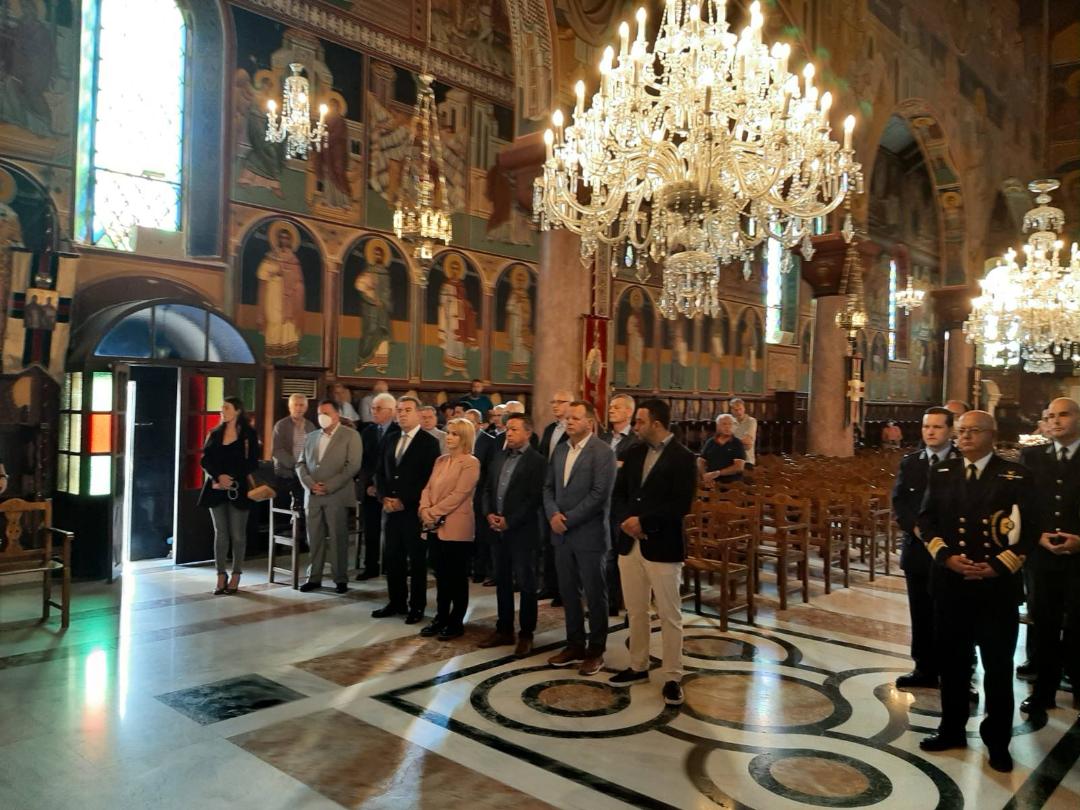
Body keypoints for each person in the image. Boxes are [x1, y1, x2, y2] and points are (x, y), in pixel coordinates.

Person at [917, 410, 1035, 773]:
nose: (965, 437)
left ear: (992, 435)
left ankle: (997, 741)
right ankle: (951, 729)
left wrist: (1000, 564)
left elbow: (1032, 527)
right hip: (951, 585)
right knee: (952, 665)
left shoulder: (1015, 474)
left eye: (974, 431)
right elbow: (926, 520)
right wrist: (946, 557)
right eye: (962, 431)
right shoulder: (942, 471)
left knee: (997, 668)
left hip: (996, 588)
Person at [610, 399, 698, 706]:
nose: (635, 427)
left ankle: (673, 675)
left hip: (662, 544)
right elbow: (620, 494)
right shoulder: (634, 453)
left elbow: (680, 504)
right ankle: (638, 665)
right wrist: (627, 521)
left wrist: (644, 522)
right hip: (629, 543)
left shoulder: (683, 458)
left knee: (669, 614)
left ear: (656, 424)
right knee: (636, 610)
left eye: (640, 421)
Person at [543, 400, 617, 676]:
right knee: (568, 593)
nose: (569, 422)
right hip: (561, 534)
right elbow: (548, 487)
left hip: (589, 534)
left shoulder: (602, 452)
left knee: (595, 595)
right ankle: (574, 645)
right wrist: (553, 514)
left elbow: (599, 495)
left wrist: (568, 519)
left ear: (590, 422)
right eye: (567, 418)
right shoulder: (561, 449)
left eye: (575, 418)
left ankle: (596, 651)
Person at [1019, 398, 1080, 717]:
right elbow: (1021, 506)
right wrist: (1036, 536)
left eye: (1063, 415)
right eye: (1050, 416)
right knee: (1044, 625)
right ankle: (1044, 692)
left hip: (1079, 558)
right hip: (1042, 558)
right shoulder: (1032, 457)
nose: (1056, 421)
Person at [892, 406, 959, 690]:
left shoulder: (962, 461)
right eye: (926, 426)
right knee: (921, 613)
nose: (930, 432)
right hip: (918, 550)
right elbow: (900, 503)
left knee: (953, 615)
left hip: (951, 550)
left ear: (950, 430)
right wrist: (917, 529)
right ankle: (924, 668)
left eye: (937, 427)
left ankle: (958, 672)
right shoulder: (911, 462)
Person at [479, 413, 547, 656]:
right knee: (503, 581)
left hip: (523, 532)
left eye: (515, 429)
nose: (509, 433)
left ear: (528, 432)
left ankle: (526, 634)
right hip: (497, 530)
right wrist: (489, 514)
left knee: (527, 584)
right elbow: (487, 488)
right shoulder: (499, 456)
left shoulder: (537, 462)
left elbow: (534, 499)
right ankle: (504, 629)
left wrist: (510, 521)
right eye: (508, 428)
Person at [373, 396, 441, 623]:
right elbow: (379, 472)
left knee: (417, 560)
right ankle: (396, 601)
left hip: (413, 511)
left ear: (418, 414)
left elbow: (428, 479)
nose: (402, 414)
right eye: (399, 410)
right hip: (390, 510)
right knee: (393, 558)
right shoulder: (390, 438)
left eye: (407, 410)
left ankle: (417, 606)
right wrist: (384, 497)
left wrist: (405, 500)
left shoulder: (428, 442)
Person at [418, 418, 481, 640]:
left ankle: (456, 622)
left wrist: (433, 512)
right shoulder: (441, 460)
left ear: (464, 438)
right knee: (441, 575)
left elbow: (459, 494)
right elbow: (427, 488)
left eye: (455, 434)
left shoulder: (470, 462)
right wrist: (424, 509)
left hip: (457, 526)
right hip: (433, 526)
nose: (449, 437)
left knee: (456, 576)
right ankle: (441, 617)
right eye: (448, 432)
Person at [297, 400, 364, 594]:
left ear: (337, 414)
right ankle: (314, 577)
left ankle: (340, 578)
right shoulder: (311, 437)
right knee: (314, 538)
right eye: (319, 413)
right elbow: (300, 464)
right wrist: (310, 484)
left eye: (326, 413)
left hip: (337, 495)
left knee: (337, 537)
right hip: (313, 495)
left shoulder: (351, 435)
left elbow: (353, 466)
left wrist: (329, 486)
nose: (322, 417)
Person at [198, 396, 261, 595]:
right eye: (222, 408)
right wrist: (219, 476)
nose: (222, 411)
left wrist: (232, 477)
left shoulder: (248, 435)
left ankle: (236, 574)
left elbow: (253, 462)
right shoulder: (215, 433)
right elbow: (205, 460)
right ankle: (220, 574)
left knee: (238, 534)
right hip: (216, 488)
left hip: (238, 488)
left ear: (237, 411)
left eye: (226, 408)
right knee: (221, 533)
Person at [356, 392, 399, 580]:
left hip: (390, 490)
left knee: (392, 532)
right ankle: (371, 566)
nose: (374, 411)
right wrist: (369, 485)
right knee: (371, 530)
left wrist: (382, 488)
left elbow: (395, 464)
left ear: (391, 411)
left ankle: (391, 565)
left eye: (378, 408)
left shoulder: (398, 431)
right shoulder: (367, 431)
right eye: (372, 408)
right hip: (369, 489)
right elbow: (364, 462)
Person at [538, 389, 573, 602]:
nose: (555, 405)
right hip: (548, 488)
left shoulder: (574, 430)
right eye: (553, 401)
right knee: (547, 541)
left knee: (563, 543)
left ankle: (564, 589)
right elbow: (543, 457)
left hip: (566, 490)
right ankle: (549, 585)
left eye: (561, 401)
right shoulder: (550, 429)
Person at [271, 393, 316, 506]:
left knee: (304, 505)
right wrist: (296, 465)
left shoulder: (310, 426)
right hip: (285, 474)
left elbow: (314, 449)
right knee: (283, 507)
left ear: (306, 407)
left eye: (301, 405)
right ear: (290, 407)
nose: (298, 408)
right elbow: (277, 450)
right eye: (296, 405)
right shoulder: (281, 425)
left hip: (305, 474)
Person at [699, 414, 747, 483]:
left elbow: (739, 467)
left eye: (730, 424)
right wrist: (704, 475)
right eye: (724, 424)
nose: (727, 427)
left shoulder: (737, 443)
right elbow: (701, 460)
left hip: (731, 484)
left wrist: (717, 473)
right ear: (718, 426)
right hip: (711, 482)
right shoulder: (711, 442)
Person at [729, 398, 757, 467]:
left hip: (747, 460)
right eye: (736, 410)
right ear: (732, 410)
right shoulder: (730, 422)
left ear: (744, 408)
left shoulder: (751, 421)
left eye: (740, 409)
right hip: (732, 460)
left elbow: (748, 443)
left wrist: (731, 442)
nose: (739, 412)